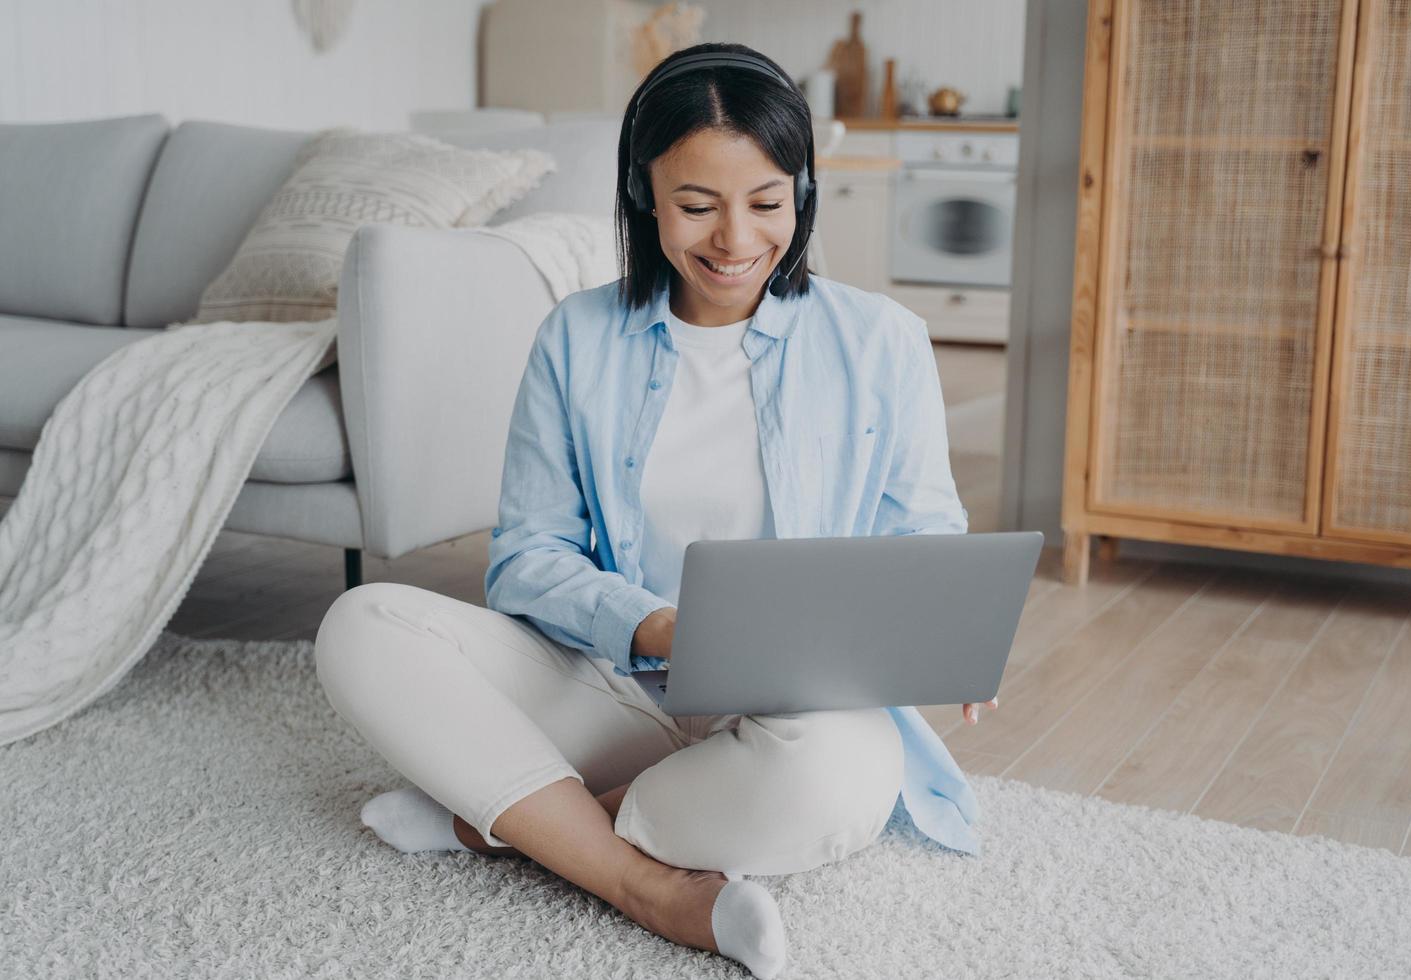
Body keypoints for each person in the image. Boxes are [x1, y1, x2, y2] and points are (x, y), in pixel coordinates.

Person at [313, 42, 997, 980]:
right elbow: (526, 556)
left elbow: (926, 538)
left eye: (766, 203)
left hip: (786, 712)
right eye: (696, 206)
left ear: (802, 192)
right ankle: (653, 890)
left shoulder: (883, 342)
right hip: (613, 682)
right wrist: (661, 626)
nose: (736, 241)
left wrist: (945, 630)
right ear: (643, 193)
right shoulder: (577, 337)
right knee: (365, 623)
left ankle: (504, 823)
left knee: (845, 783)